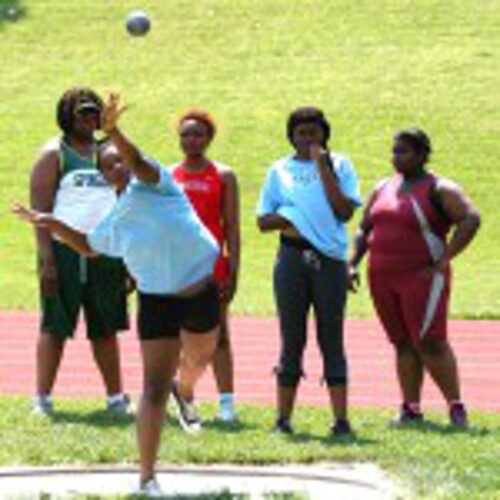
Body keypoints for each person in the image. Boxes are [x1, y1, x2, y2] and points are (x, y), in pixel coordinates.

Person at [14, 94, 221, 495]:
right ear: (105, 173)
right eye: (109, 163)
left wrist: (113, 132)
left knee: (198, 359)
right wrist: (52, 223)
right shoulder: (114, 218)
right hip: (157, 302)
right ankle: (147, 478)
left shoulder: (159, 184)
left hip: (200, 291)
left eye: (121, 158)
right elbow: (89, 245)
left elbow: (138, 158)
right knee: (153, 389)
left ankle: (189, 389)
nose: (118, 165)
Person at [348, 128, 481, 427]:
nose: (397, 157)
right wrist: (352, 263)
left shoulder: (440, 188)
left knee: (430, 341)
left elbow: (471, 218)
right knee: (402, 342)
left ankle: (456, 408)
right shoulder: (384, 187)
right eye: (394, 151)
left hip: (421, 277)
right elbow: (364, 228)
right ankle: (411, 407)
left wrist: (445, 259)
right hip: (382, 277)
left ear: (422, 155)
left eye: (404, 151)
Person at [256, 107, 362, 436]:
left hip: (328, 259)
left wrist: (323, 167)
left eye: (314, 133)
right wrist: (295, 217)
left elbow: (344, 212)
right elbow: (263, 220)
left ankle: (341, 420)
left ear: (324, 135)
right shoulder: (279, 169)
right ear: (291, 136)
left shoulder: (341, 165)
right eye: (301, 133)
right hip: (290, 257)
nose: (307, 139)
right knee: (292, 337)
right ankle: (283, 419)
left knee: (331, 336)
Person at [29, 87, 130, 416]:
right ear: (66, 116)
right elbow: (40, 211)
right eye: (81, 113)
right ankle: (42, 398)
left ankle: (116, 398)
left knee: (105, 327)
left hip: (106, 252)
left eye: (93, 112)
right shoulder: (53, 154)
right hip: (63, 252)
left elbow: (126, 203)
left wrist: (127, 260)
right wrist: (47, 260)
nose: (88, 119)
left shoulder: (111, 152)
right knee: (55, 326)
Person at [170, 109, 240, 427]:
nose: (191, 140)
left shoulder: (223, 175)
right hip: (178, 266)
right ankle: (185, 396)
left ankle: (226, 403)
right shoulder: (170, 175)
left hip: (212, 266)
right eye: (185, 134)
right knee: (180, 336)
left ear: (209, 138)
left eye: (197, 134)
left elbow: (232, 227)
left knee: (220, 335)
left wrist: (233, 268)